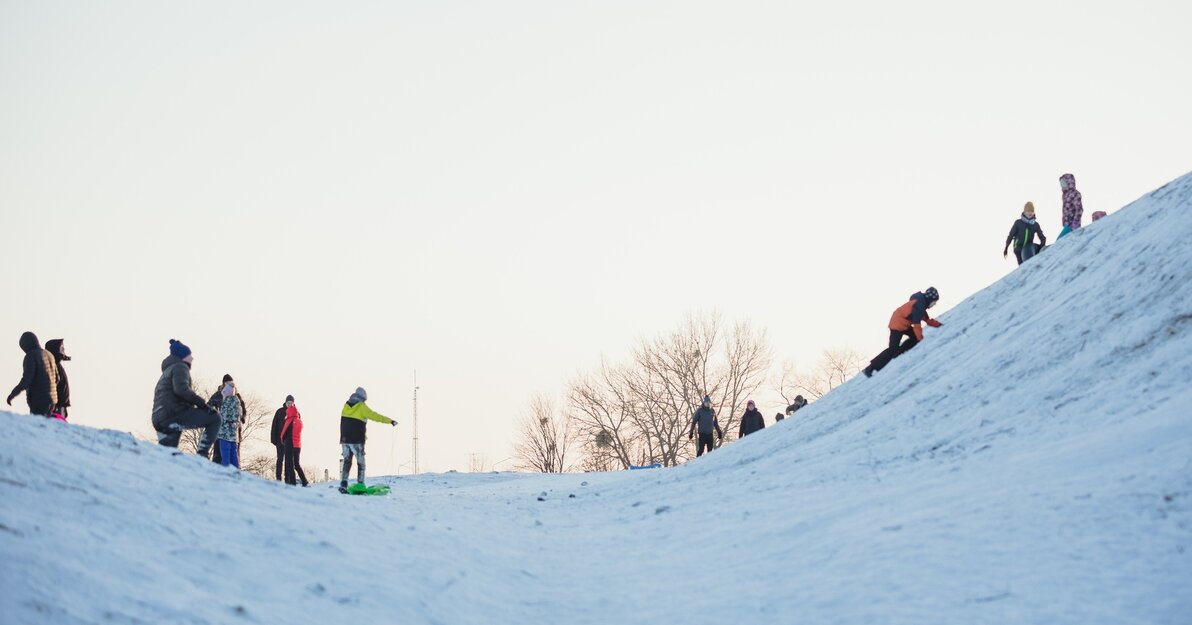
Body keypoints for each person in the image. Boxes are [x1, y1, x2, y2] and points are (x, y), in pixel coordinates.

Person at [151, 339, 220, 454]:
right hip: (173, 414)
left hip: (160, 418)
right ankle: (202, 455)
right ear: (183, 356)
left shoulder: (167, 371)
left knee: (166, 453)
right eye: (189, 355)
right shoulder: (180, 367)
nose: (192, 358)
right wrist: (203, 404)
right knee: (214, 418)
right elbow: (182, 390)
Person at [862, 288, 942, 378]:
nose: (934, 304)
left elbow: (927, 320)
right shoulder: (919, 305)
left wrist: (939, 325)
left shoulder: (920, 305)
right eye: (934, 302)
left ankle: (900, 352)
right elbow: (916, 324)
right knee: (892, 349)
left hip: (903, 323)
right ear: (930, 299)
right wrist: (920, 338)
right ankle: (870, 368)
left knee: (914, 338)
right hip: (897, 325)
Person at [339, 387, 396, 493]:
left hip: (345, 439)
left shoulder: (345, 406)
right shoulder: (362, 407)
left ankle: (343, 484)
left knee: (347, 462)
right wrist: (390, 421)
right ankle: (360, 484)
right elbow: (375, 416)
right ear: (363, 398)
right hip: (356, 440)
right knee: (361, 463)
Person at [7, 332, 59, 417]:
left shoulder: (31, 356)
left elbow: (27, 380)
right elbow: (57, 378)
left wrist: (13, 394)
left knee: (38, 426)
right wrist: (49, 390)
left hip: (39, 400)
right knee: (46, 426)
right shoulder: (49, 355)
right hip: (53, 399)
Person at [207, 373, 245, 464]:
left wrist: (241, 419)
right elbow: (209, 405)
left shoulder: (236, 396)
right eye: (228, 383)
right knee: (220, 451)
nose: (230, 385)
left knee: (231, 452)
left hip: (229, 427)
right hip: (223, 427)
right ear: (224, 383)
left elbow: (242, 409)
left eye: (231, 383)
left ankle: (228, 469)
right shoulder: (219, 395)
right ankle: (218, 467)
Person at [280, 403, 309, 486]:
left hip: (290, 444)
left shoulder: (289, 420)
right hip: (298, 445)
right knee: (297, 464)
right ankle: (304, 481)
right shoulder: (299, 421)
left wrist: (282, 440)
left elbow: (283, 433)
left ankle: (292, 483)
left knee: (290, 464)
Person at [216, 381, 241, 469]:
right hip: (233, 434)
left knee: (225, 455)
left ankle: (225, 472)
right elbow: (238, 416)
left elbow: (224, 416)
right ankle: (236, 472)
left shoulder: (226, 401)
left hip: (225, 432)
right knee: (234, 455)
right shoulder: (237, 401)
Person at [270, 395, 294, 481]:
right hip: (280, 440)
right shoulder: (279, 412)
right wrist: (273, 439)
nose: (290, 405)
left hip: (290, 441)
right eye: (288, 403)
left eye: (291, 403)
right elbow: (274, 426)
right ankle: (278, 477)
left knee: (289, 460)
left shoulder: (296, 413)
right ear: (286, 402)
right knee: (280, 459)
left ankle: (287, 478)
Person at [1058, 173, 1083, 238]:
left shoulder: (1075, 193)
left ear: (1069, 183)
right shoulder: (1065, 195)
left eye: (1063, 184)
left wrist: (1075, 222)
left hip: (1072, 224)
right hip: (1066, 224)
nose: (1062, 186)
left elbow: (1079, 209)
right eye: (1061, 184)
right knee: (1064, 242)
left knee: (1059, 240)